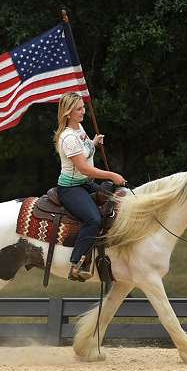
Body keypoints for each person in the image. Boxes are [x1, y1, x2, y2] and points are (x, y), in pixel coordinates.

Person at [53, 92, 126, 281]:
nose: (83, 111)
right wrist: (111, 175)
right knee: (93, 219)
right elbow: (84, 168)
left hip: (84, 184)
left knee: (118, 200)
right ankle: (76, 262)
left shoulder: (79, 129)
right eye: (78, 109)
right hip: (70, 188)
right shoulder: (68, 137)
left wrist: (93, 143)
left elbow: (84, 152)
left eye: (83, 107)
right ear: (68, 113)